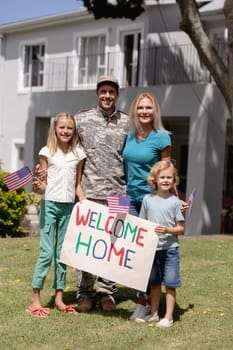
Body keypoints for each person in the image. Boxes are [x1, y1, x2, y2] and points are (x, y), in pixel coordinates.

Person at [74, 75, 128, 312]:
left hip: (119, 194)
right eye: (103, 91)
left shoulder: (127, 122)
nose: (107, 96)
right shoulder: (81, 119)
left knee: (113, 244)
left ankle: (107, 292)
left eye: (112, 92)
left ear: (117, 94)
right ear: (97, 93)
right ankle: (84, 293)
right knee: (87, 245)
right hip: (90, 194)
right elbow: (70, 152)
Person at [27, 112, 86, 317]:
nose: (66, 131)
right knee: (47, 252)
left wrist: (85, 203)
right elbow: (42, 184)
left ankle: (59, 298)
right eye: (62, 127)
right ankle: (35, 299)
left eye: (69, 128)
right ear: (55, 129)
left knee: (62, 253)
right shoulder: (47, 152)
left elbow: (77, 184)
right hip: (50, 204)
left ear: (74, 130)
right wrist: (38, 183)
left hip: (68, 207)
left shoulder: (78, 154)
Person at [122, 92, 172, 320]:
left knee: (151, 254)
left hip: (151, 202)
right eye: (140, 108)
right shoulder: (129, 135)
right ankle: (141, 300)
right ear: (135, 111)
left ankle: (147, 304)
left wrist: (174, 200)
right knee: (133, 252)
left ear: (155, 111)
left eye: (148, 108)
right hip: (130, 200)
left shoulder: (162, 138)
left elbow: (167, 171)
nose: (144, 111)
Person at [135, 160, 185, 327]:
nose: (165, 180)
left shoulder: (175, 202)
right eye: (162, 177)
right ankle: (154, 313)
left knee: (170, 284)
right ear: (154, 179)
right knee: (155, 283)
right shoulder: (147, 200)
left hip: (170, 249)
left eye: (169, 177)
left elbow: (181, 229)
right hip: (152, 250)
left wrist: (168, 230)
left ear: (174, 180)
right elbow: (142, 223)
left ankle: (169, 317)